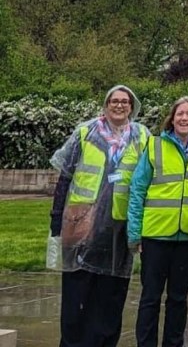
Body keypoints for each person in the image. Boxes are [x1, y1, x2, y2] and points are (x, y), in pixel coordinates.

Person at [49, 84, 149, 347]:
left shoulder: (142, 137)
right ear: (106, 105)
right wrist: (56, 219)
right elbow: (65, 177)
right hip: (81, 225)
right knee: (76, 294)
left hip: (119, 227)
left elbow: (149, 180)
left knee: (111, 297)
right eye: (114, 101)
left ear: (132, 107)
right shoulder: (86, 132)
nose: (119, 105)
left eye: (124, 102)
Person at [128, 95, 188, 347]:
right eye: (180, 114)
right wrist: (134, 233)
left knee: (178, 299)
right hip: (155, 236)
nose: (184, 118)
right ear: (172, 118)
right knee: (150, 298)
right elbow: (138, 189)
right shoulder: (154, 146)